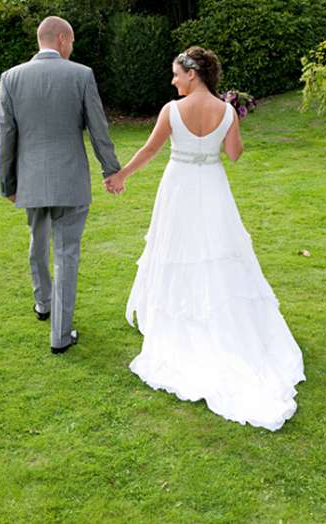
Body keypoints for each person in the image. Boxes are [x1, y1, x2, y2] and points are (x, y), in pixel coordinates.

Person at [105, 47, 305, 431]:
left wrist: (122, 175)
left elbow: (150, 149)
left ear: (193, 74)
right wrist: (234, 120)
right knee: (217, 250)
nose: (173, 80)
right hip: (212, 186)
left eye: (177, 73)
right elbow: (234, 154)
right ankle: (212, 306)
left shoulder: (170, 110)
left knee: (176, 249)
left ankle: (179, 311)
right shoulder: (226, 110)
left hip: (179, 185)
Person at [0, 16, 121, 354]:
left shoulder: (10, 78)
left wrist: (7, 183)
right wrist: (111, 169)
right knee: (67, 253)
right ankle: (60, 335)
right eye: (73, 40)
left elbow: (6, 136)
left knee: (37, 242)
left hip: (31, 180)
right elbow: (99, 129)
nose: (73, 47)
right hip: (70, 180)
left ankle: (43, 304)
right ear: (63, 38)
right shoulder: (81, 75)